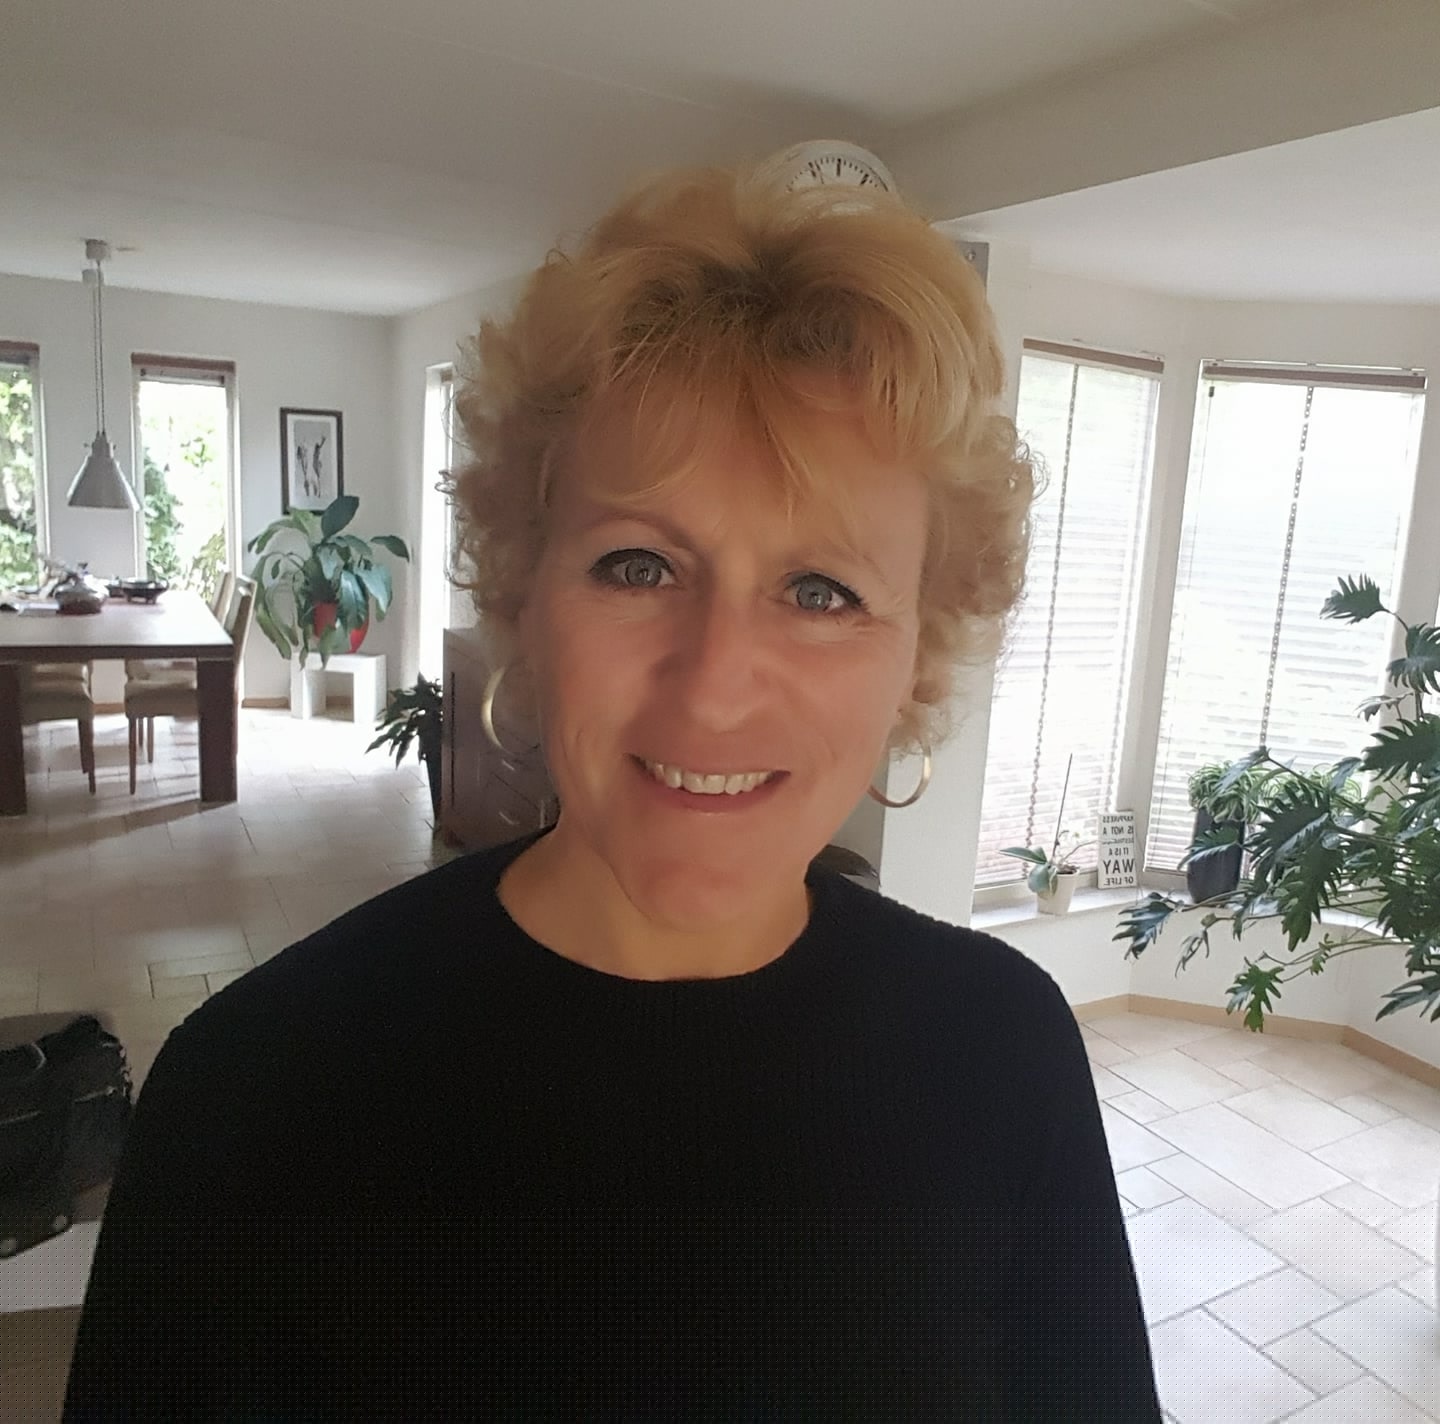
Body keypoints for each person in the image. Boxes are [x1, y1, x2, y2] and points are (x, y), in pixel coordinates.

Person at [64, 163, 1161, 1419]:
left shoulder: (1003, 1054)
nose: (716, 685)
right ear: (525, 593)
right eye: (639, 564)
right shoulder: (253, 1094)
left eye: (822, 590)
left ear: (920, 650)